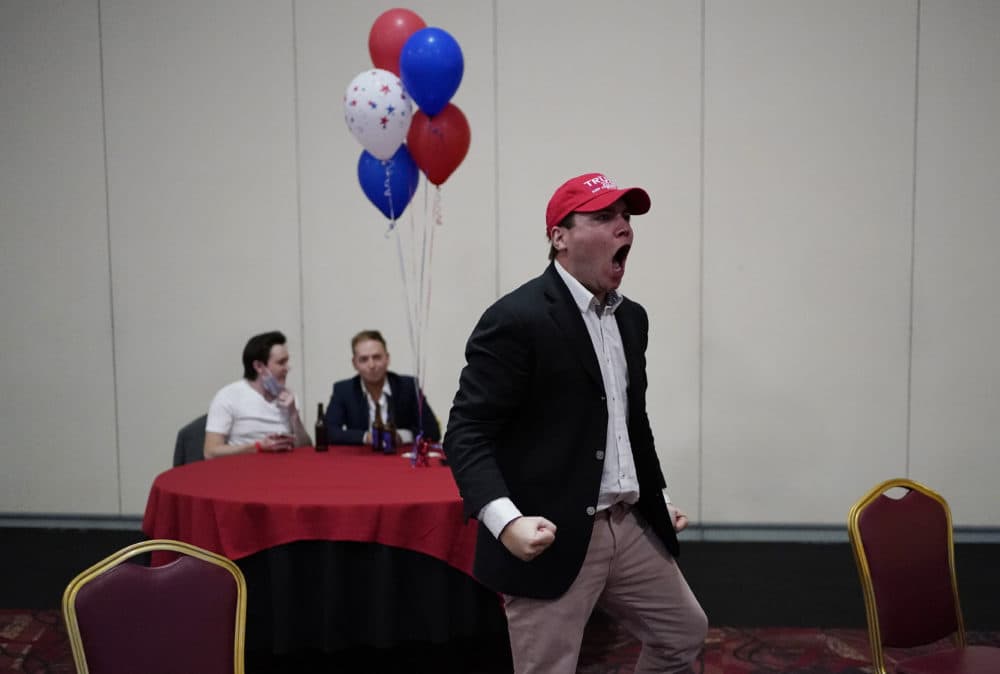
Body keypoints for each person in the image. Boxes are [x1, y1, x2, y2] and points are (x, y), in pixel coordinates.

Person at [444, 172, 707, 673]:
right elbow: (466, 432)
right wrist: (506, 521)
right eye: (604, 216)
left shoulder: (632, 319)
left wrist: (654, 493)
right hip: (550, 532)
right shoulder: (516, 318)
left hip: (626, 524)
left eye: (626, 217)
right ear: (559, 237)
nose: (623, 228)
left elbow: (628, 422)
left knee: (682, 634)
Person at [204, 330, 311, 459]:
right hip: (244, 470)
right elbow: (210, 452)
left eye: (287, 361)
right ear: (259, 366)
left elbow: (306, 449)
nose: (288, 368)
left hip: (283, 470)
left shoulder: (288, 396)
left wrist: (293, 413)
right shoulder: (228, 396)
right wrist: (258, 447)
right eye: (281, 362)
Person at [325, 330, 441, 446]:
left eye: (377, 357)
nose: (371, 365)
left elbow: (433, 431)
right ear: (355, 363)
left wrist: (401, 436)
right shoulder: (343, 390)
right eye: (364, 359)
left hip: (399, 458)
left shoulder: (408, 386)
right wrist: (367, 437)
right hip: (361, 458)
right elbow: (328, 432)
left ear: (387, 358)